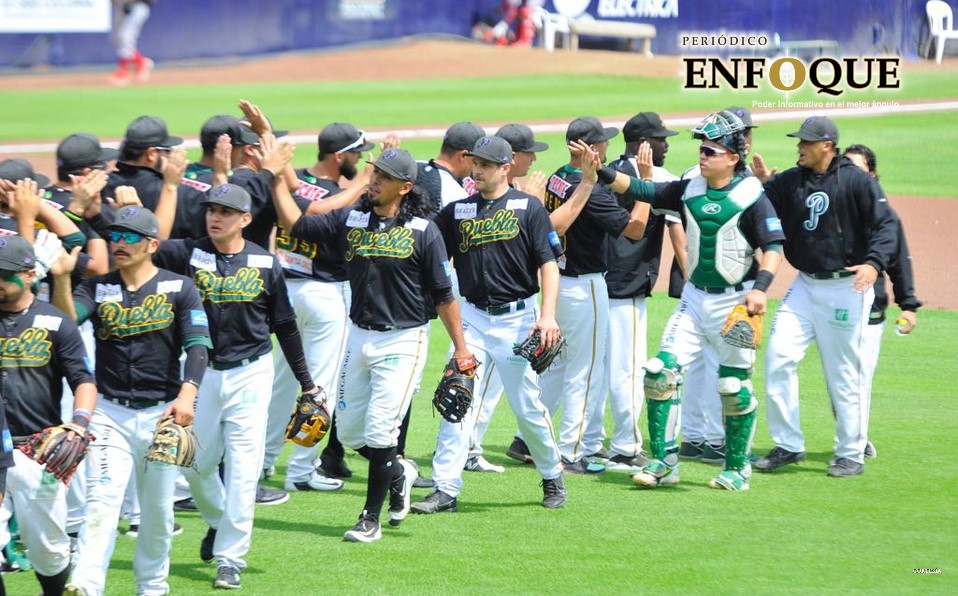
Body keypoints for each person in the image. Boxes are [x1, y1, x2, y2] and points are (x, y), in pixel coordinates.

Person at [272, 147, 470, 543]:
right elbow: (296, 226)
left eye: (384, 176)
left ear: (405, 187)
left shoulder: (422, 230)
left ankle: (369, 518)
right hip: (358, 335)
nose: (374, 179)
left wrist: (462, 350)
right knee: (347, 435)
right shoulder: (354, 218)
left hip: (404, 339)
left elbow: (444, 295)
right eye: (374, 172)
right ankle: (400, 472)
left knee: (381, 433)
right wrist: (277, 177)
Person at [601, 110, 785, 491]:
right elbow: (642, 191)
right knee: (658, 372)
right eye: (701, 149)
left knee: (733, 386)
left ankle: (737, 469)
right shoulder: (690, 187)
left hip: (736, 301)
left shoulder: (753, 196)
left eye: (710, 150)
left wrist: (760, 288)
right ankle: (664, 463)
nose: (702, 156)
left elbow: (773, 248)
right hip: (694, 298)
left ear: (733, 157)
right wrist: (599, 172)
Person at [153, 182, 320, 587]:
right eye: (212, 209)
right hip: (201, 377)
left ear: (245, 219)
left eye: (226, 211)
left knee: (245, 471)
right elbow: (150, 245)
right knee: (194, 465)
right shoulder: (187, 253)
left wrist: (307, 383)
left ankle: (231, 558)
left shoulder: (265, 263)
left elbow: (284, 324)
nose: (215, 216)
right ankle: (217, 521)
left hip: (251, 373)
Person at [412, 136, 584, 515]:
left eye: (486, 165)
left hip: (517, 320)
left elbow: (549, 264)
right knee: (458, 395)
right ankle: (445, 488)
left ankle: (551, 473)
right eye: (475, 163)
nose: (477, 171)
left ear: (505, 167)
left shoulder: (529, 208)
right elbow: (425, 241)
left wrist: (548, 315)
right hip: (472, 319)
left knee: (526, 406)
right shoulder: (458, 212)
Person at [52, 206, 211, 596]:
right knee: (101, 502)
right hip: (110, 414)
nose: (117, 244)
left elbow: (199, 346)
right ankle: (86, 584)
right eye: (114, 237)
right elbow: (68, 325)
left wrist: (188, 392)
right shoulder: (97, 287)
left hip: (163, 414)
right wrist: (60, 279)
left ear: (152, 244)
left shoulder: (180, 287)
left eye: (128, 237)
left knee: (156, 512)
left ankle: (153, 587)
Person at [751, 116, 897, 477]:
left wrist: (874, 264)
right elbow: (762, 207)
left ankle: (850, 451)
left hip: (846, 287)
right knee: (778, 358)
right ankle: (789, 443)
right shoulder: (790, 180)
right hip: (804, 285)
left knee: (844, 372)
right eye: (799, 140)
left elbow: (886, 225)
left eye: (806, 142)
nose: (799, 146)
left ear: (827, 146)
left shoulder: (856, 181)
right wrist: (762, 185)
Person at [264, 122, 378, 492]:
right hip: (324, 296)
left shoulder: (292, 181)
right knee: (319, 387)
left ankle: (263, 463)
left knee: (282, 383)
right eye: (358, 153)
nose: (361, 160)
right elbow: (320, 212)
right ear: (339, 156)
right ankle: (300, 471)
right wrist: (364, 182)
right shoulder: (345, 196)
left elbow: (300, 202)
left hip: (285, 293)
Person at [534, 116, 650, 474]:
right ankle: (571, 451)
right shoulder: (591, 191)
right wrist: (645, 186)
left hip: (558, 281)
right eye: (603, 143)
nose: (607, 148)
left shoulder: (557, 175)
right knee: (585, 372)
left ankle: (546, 440)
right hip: (585, 286)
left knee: (558, 366)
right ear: (589, 148)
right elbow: (634, 229)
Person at [0, 232, 98, 596]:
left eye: (4, 273)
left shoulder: (56, 322)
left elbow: (84, 380)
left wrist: (80, 422)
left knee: (49, 550)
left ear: (28, 275)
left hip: (37, 450)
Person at [602, 112, 679, 470]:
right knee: (628, 369)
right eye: (661, 139)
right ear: (643, 144)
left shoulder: (612, 171)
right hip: (626, 283)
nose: (666, 144)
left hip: (598, 283)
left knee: (596, 369)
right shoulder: (647, 178)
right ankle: (625, 446)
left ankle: (586, 442)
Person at [842, 144, 921, 458]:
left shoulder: (884, 215)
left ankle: (856, 441)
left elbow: (899, 259)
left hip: (869, 305)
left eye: (858, 169)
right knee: (841, 379)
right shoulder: (831, 206)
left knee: (859, 378)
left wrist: (909, 305)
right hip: (826, 304)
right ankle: (852, 434)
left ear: (871, 176)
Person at [417, 122, 485, 211]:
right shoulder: (454, 192)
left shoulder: (413, 165)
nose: (477, 165)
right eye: (476, 159)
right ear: (463, 155)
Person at [109, 0, 155, 86]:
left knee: (126, 36)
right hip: (122, 6)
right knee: (116, 37)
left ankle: (122, 74)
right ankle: (141, 61)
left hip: (139, 5)